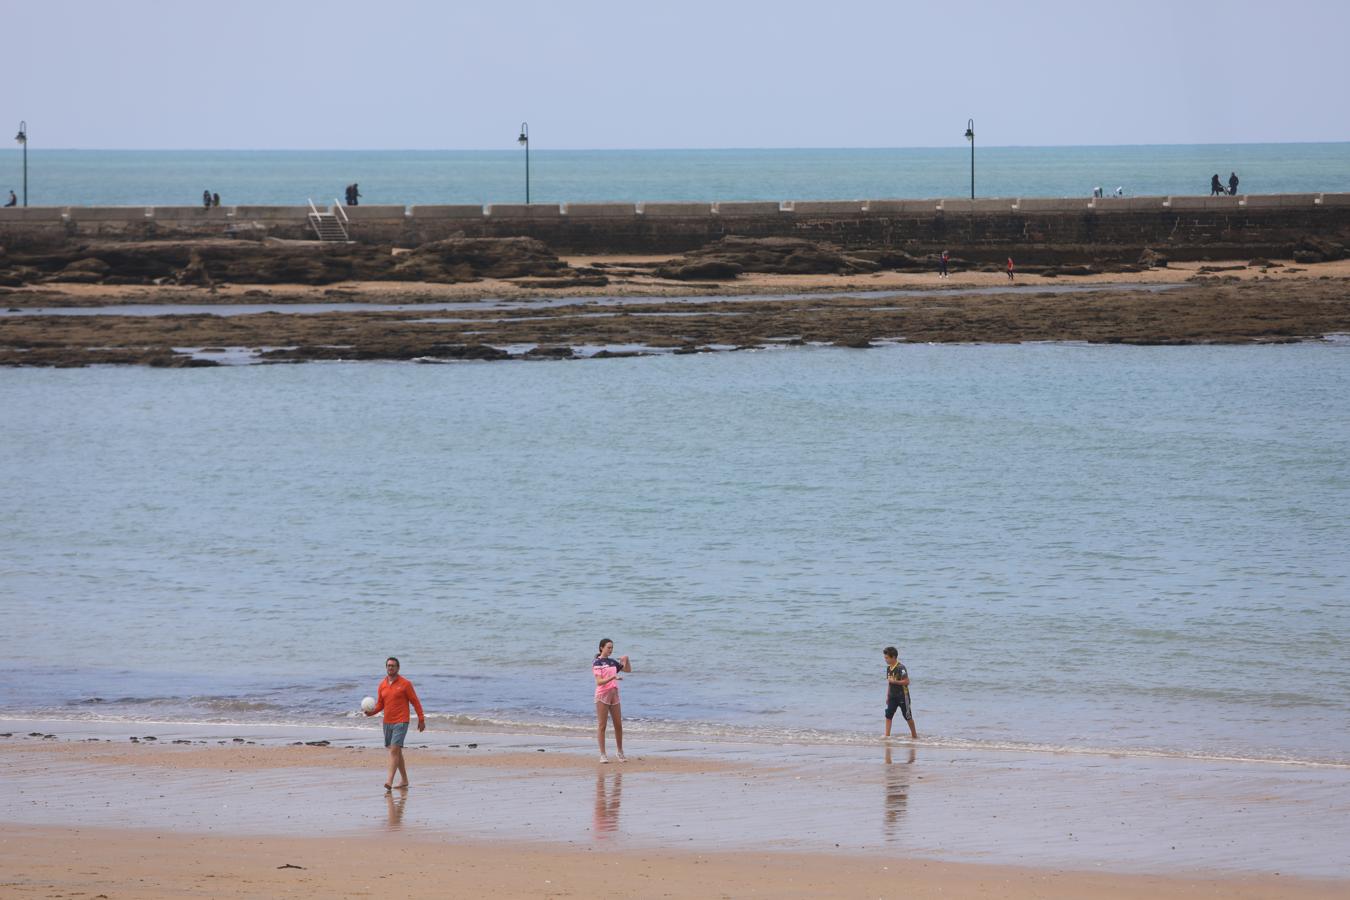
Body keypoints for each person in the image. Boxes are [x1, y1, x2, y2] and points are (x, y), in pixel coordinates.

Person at [363, 656, 425, 790]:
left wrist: (421, 719)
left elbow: (415, 702)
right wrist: (370, 713)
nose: (390, 668)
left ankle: (389, 782)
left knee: (394, 750)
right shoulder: (382, 685)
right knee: (396, 752)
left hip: (401, 721)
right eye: (388, 665)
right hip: (387, 722)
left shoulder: (405, 684)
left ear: (398, 668)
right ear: (386, 668)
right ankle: (404, 780)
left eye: (393, 665)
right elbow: (380, 705)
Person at [593, 638, 631, 763]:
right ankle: (603, 755)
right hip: (602, 695)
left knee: (618, 725)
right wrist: (612, 677)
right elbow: (599, 682)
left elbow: (627, 670)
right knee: (602, 725)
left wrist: (626, 660)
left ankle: (620, 752)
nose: (610, 650)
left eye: (612, 647)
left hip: (614, 695)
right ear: (601, 648)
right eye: (608, 647)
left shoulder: (612, 662)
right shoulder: (597, 663)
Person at [883, 646, 918, 739]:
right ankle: (887, 736)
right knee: (888, 715)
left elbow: (907, 681)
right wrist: (887, 695)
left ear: (893, 657)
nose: (885, 659)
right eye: (885, 657)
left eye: (887, 658)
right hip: (892, 696)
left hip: (903, 696)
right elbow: (889, 683)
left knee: (907, 716)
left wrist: (896, 682)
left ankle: (914, 736)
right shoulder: (888, 668)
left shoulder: (901, 668)